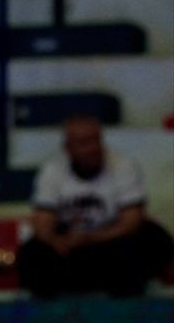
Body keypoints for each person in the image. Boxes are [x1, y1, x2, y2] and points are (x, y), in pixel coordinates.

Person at [18, 113, 174, 298]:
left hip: (111, 242)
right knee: (33, 254)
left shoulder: (123, 165)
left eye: (96, 140)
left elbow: (132, 222)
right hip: (69, 245)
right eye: (84, 143)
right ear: (68, 147)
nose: (93, 148)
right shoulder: (52, 170)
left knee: (151, 239)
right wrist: (57, 243)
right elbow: (43, 223)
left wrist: (91, 238)